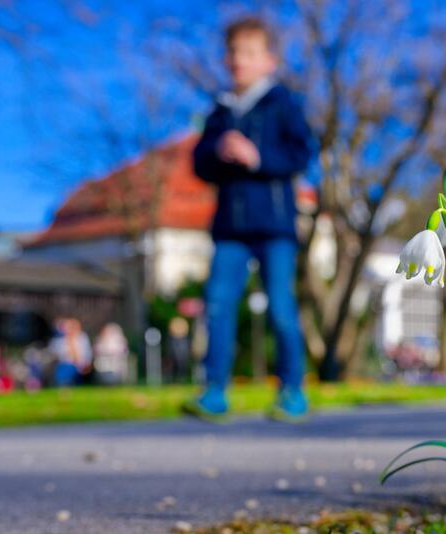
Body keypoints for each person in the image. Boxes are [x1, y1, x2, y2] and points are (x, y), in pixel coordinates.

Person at [184, 17, 316, 421]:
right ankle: (214, 391)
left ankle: (292, 390)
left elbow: (301, 153)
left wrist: (257, 157)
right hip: (229, 228)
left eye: (250, 53)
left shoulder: (283, 104)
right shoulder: (221, 110)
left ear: (269, 60)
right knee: (219, 305)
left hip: (275, 225)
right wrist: (217, 149)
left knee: (280, 307)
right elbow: (199, 165)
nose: (239, 60)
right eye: (234, 52)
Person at [49, 318, 92, 387]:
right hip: (64, 365)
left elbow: (86, 354)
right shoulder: (59, 340)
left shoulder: (82, 337)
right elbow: (55, 354)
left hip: (80, 366)